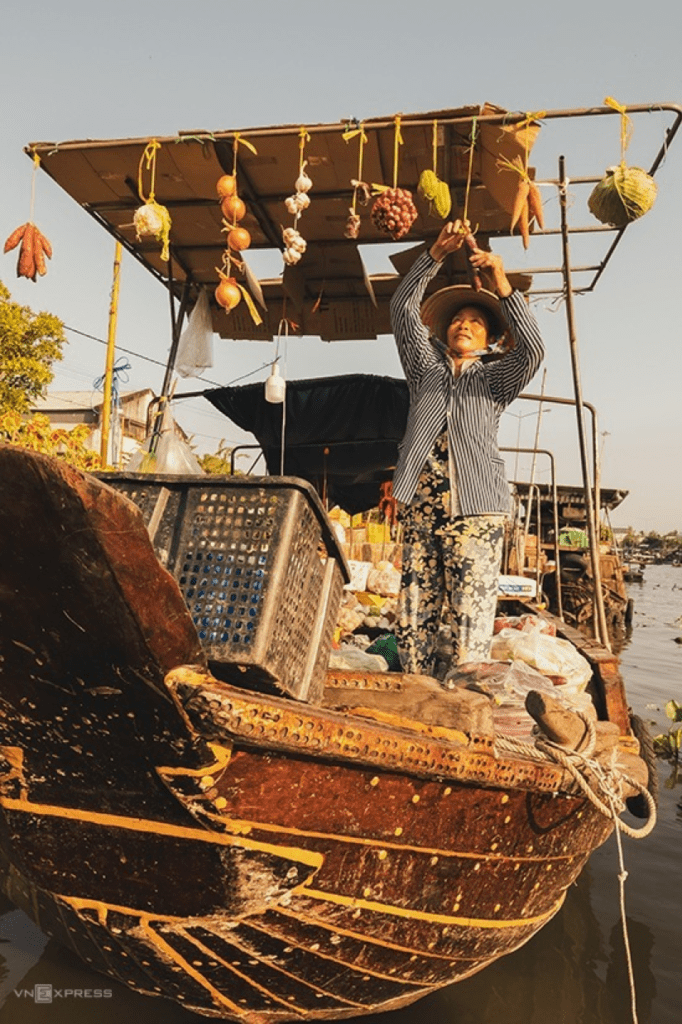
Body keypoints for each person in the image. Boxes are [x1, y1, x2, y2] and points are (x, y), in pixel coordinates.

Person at [390, 220, 545, 675]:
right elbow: (401, 308)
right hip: (421, 500)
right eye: (458, 319)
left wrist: (502, 284)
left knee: (469, 606)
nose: (464, 324)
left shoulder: (495, 377)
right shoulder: (425, 366)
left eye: (476, 322)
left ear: (489, 339)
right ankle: (417, 684)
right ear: (445, 329)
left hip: (477, 507)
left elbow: (533, 350)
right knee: (418, 599)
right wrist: (434, 254)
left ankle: (463, 692)